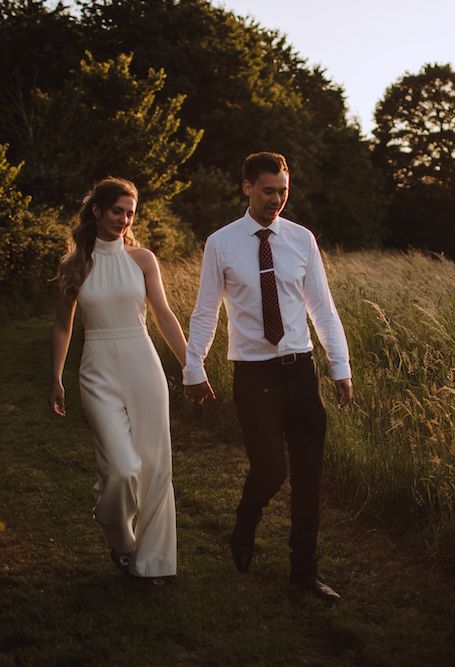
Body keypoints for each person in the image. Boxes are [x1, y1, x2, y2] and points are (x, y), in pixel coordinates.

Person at [184, 151, 352, 603]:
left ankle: (305, 571)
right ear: (246, 188)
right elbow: (206, 310)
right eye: (267, 190)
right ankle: (245, 525)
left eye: (283, 190)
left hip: (301, 370)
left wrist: (340, 366)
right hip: (253, 374)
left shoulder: (302, 240)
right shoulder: (221, 242)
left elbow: (323, 308)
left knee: (308, 475)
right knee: (271, 470)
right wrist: (194, 365)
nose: (276, 199)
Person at [49, 177, 187, 585]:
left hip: (143, 365)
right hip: (97, 369)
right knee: (123, 469)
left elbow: (162, 314)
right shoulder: (74, 265)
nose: (124, 220)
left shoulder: (143, 259)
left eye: (130, 213)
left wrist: (190, 365)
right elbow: (61, 326)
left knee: (155, 466)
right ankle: (120, 538)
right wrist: (56, 377)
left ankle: (153, 562)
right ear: (97, 211)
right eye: (117, 211)